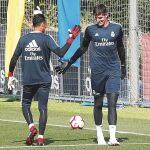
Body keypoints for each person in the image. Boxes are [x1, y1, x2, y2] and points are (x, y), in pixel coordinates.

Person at [55, 4, 126, 146]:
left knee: (112, 103)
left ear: (106, 15)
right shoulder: (90, 30)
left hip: (113, 70)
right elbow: (83, 48)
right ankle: (100, 136)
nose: (98, 20)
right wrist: (69, 62)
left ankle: (112, 138)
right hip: (97, 72)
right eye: (96, 18)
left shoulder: (117, 28)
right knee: (98, 104)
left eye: (100, 17)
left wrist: (123, 66)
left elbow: (120, 47)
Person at [7, 13, 81, 146]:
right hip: (44, 80)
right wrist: (72, 38)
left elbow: (13, 58)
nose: (46, 25)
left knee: (25, 105)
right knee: (43, 108)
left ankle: (31, 127)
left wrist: (10, 75)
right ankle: (40, 139)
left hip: (29, 79)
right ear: (42, 24)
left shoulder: (24, 39)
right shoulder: (46, 38)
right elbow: (61, 52)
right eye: (45, 23)